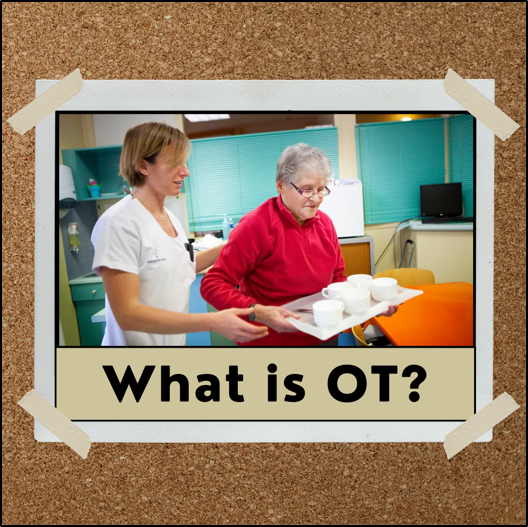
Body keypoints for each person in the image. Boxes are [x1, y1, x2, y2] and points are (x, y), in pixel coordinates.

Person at [200, 143, 397, 346]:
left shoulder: (326, 224)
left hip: (324, 334)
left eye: (321, 190)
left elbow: (338, 278)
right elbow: (213, 284)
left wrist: (368, 305)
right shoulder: (255, 226)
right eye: (306, 189)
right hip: (271, 342)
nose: (317, 199)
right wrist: (257, 311)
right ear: (281, 185)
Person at [91, 121, 268, 346]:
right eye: (175, 163)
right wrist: (213, 321)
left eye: (183, 162)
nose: (185, 171)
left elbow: (183, 265)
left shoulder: (170, 218)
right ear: (143, 166)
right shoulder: (118, 223)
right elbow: (128, 315)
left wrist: (233, 244)